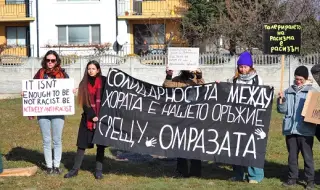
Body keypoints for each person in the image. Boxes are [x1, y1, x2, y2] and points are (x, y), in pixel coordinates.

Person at [64, 60, 107, 179]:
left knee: (101, 145)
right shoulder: (83, 83)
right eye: (89, 69)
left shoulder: (104, 81)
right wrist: (92, 115)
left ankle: (99, 170)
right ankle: (75, 169)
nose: (91, 71)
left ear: (98, 70)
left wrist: (101, 115)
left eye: (93, 69)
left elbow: (110, 98)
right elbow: (84, 102)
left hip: (102, 117)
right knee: (81, 145)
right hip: (88, 118)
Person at [30, 50, 70, 175]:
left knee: (57, 140)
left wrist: (71, 90)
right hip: (43, 112)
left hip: (58, 112)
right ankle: (48, 166)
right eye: (48, 60)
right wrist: (26, 93)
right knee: (46, 140)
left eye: (53, 60)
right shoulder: (40, 73)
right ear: (45, 61)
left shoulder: (63, 74)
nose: (50, 62)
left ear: (56, 61)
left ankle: (56, 165)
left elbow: (67, 88)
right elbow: (32, 88)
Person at [228, 51, 264, 183]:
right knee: (236, 146)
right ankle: (238, 174)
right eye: (241, 67)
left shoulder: (257, 79)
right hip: (237, 118)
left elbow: (262, 98)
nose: (243, 69)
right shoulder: (234, 80)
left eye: (245, 66)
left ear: (251, 67)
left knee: (252, 146)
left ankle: (255, 175)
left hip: (252, 118)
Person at [277, 65, 316, 190]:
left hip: (306, 131)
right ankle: (292, 179)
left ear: (306, 78)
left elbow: (316, 113)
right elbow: (282, 110)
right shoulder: (288, 91)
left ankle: (310, 181)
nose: (298, 82)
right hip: (290, 129)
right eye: (296, 79)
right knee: (292, 156)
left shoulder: (313, 92)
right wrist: (281, 102)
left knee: (307, 157)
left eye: (300, 79)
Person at [163, 67, 205, 178]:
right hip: (181, 117)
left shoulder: (196, 80)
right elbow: (166, 86)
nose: (190, 71)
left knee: (195, 144)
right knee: (180, 143)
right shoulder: (177, 80)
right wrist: (168, 76)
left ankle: (196, 172)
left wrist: (199, 76)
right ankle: (182, 171)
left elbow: (203, 89)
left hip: (195, 117)